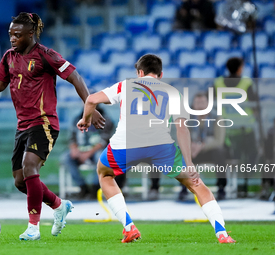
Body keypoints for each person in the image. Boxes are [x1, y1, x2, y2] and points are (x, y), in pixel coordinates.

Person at [0, 12, 105, 241]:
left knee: (30, 167)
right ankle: (58, 205)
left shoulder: (46, 55)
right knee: (20, 181)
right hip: (22, 126)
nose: (12, 38)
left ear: (31, 34)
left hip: (44, 122)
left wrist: (91, 105)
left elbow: (75, 76)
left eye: (17, 35)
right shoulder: (8, 56)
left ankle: (33, 228)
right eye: (10, 34)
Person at [77, 54, 235, 243]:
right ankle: (222, 234)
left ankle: (129, 227)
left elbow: (91, 100)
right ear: (160, 75)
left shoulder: (125, 85)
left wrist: (85, 120)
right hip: (160, 146)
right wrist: (190, 163)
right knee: (196, 184)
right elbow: (182, 128)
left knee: (105, 174)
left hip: (126, 144)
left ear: (139, 72)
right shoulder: (173, 92)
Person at [214, 57, 257, 197]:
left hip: (227, 128)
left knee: (234, 159)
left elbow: (209, 103)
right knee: (250, 156)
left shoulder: (218, 83)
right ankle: (244, 184)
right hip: (245, 128)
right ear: (240, 68)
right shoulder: (246, 82)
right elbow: (255, 104)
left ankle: (237, 185)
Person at [179, 92, 227, 201]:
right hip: (193, 152)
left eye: (203, 102)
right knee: (182, 153)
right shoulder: (187, 118)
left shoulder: (217, 117)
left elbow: (219, 141)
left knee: (219, 151)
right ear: (193, 105)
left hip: (210, 152)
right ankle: (183, 188)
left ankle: (221, 188)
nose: (200, 105)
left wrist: (202, 146)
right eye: (197, 102)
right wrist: (190, 147)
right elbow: (182, 136)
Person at [61, 106, 114, 199]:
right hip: (80, 150)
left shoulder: (105, 119)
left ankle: (95, 187)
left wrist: (87, 153)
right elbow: (71, 138)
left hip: (96, 151)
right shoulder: (77, 118)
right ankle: (83, 187)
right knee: (66, 158)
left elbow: (104, 140)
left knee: (101, 158)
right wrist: (74, 149)